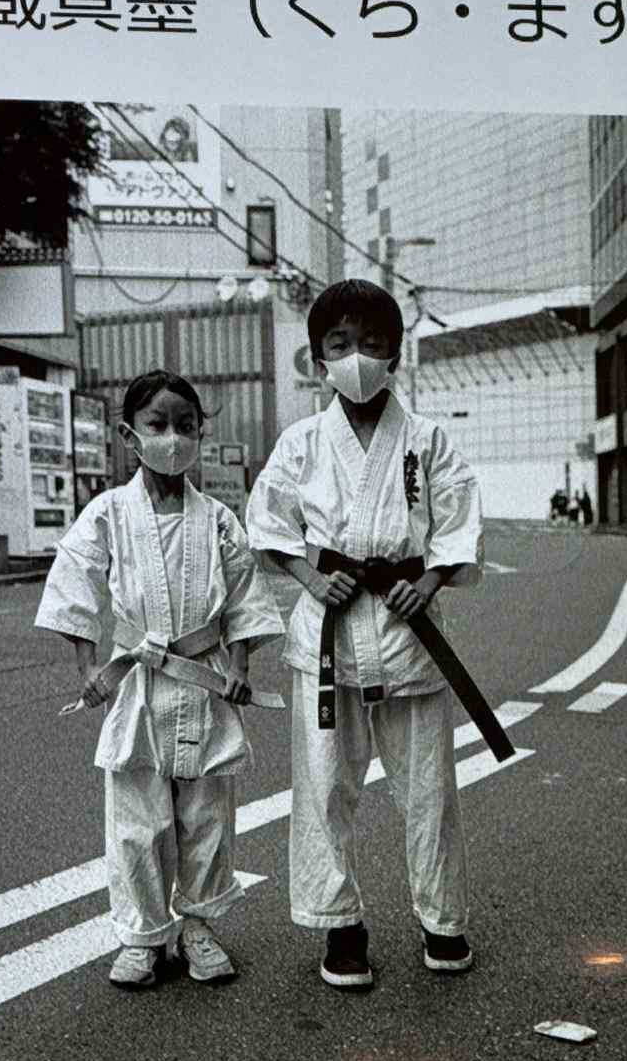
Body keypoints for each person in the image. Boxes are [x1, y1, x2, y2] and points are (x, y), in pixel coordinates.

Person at [245, 279, 485, 990]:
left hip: (409, 629)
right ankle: (339, 924)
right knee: (324, 788)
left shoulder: (428, 439)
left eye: (372, 344)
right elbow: (269, 526)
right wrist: (311, 578)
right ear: (319, 357)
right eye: (341, 344)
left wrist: (429, 582)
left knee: (430, 791)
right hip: (330, 630)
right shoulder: (300, 443)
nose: (357, 357)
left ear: (395, 356)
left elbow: (459, 524)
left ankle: (443, 920)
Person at [35, 369, 287, 989]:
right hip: (139, 679)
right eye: (158, 425)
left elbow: (244, 596)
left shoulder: (219, 519)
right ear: (130, 435)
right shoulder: (108, 513)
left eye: (185, 425)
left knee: (206, 816)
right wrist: (88, 668)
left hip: (203, 679)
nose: (173, 438)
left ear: (200, 433)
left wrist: (240, 665)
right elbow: (75, 582)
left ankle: (198, 925)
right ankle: (143, 936)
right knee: (137, 819)